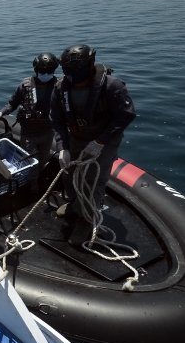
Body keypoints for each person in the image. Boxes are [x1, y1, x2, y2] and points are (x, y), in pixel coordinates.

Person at [49, 44, 136, 245]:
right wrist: (62, 147)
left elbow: (125, 116)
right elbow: (57, 120)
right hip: (76, 138)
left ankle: (86, 220)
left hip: (104, 141)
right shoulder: (61, 89)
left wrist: (100, 141)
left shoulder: (113, 87)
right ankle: (73, 204)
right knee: (70, 175)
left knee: (93, 182)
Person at [0, 52, 60, 192]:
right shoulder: (25, 85)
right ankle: (31, 183)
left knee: (43, 158)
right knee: (30, 159)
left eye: (48, 71)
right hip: (29, 132)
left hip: (47, 131)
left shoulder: (59, 86)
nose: (45, 74)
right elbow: (12, 103)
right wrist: (0, 113)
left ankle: (37, 177)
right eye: (42, 71)